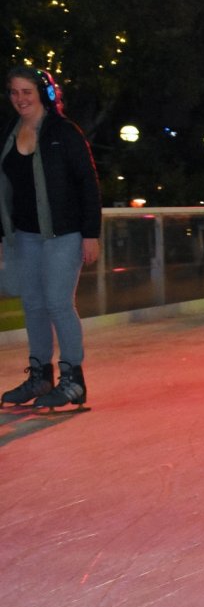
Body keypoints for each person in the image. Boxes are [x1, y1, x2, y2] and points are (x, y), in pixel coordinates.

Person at [0, 67, 100, 410]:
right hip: (25, 234)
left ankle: (73, 380)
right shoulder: (9, 133)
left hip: (64, 233)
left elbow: (88, 183)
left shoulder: (64, 132)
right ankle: (40, 377)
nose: (20, 99)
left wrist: (91, 234)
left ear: (43, 93)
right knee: (33, 305)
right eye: (14, 92)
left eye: (26, 91)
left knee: (58, 303)